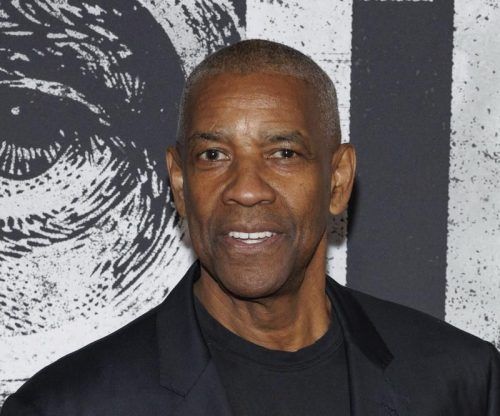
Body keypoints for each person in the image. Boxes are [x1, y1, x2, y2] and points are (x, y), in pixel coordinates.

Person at [1, 39, 499, 416]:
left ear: (338, 180)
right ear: (180, 183)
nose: (245, 189)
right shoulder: (68, 405)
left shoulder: (460, 382)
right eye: (213, 155)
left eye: (283, 153)